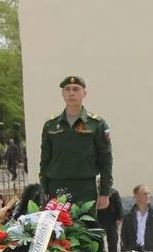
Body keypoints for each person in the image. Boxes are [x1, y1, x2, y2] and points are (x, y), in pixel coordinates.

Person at [40, 76, 113, 210]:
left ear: (84, 93)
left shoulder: (96, 124)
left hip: (85, 188)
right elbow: (45, 160)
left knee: (85, 229)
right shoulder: (50, 125)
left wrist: (105, 192)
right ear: (63, 94)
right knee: (57, 229)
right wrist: (44, 188)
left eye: (76, 89)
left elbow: (106, 160)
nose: (71, 93)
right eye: (67, 89)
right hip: (57, 186)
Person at [120, 184, 153, 252]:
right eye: (144, 194)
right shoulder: (128, 216)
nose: (147, 196)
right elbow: (124, 237)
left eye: (148, 194)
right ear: (136, 196)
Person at [96, 187, 125, 252]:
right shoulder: (94, 191)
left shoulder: (114, 192)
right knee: (98, 239)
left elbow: (119, 205)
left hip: (111, 219)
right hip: (99, 219)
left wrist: (119, 217)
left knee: (113, 239)